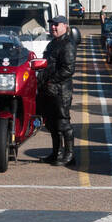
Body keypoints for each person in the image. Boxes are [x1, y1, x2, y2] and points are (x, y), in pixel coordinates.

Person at [41, 14, 77, 166]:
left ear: (65, 26)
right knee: (51, 123)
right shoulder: (52, 43)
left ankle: (69, 155)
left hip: (61, 91)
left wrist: (51, 80)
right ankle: (56, 153)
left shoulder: (67, 44)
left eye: (57, 24)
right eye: (52, 24)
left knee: (63, 123)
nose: (53, 27)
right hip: (49, 89)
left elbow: (68, 69)